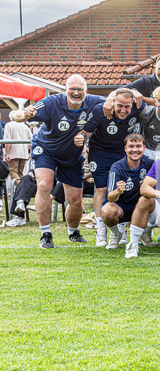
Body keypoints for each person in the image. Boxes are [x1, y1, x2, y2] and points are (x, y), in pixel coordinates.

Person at [15, 74, 105, 248]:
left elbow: (117, 99)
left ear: (86, 91)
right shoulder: (51, 102)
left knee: (76, 200)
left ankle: (73, 232)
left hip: (72, 155)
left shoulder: (93, 102)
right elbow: (18, 115)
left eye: (80, 89)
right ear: (66, 90)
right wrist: (24, 114)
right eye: (72, 89)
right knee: (44, 184)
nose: (76, 93)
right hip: (46, 150)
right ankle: (45, 234)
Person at [76, 88, 146, 247]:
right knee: (102, 188)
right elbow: (86, 132)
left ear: (132, 104)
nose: (123, 110)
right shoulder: (100, 110)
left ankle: (121, 229)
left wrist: (137, 92)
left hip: (123, 152)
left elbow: (153, 102)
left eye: (127, 106)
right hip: (100, 153)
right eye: (120, 105)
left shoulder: (138, 106)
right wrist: (80, 138)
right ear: (113, 102)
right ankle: (100, 231)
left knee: (121, 188)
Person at [101, 133, 155, 249]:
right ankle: (116, 234)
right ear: (125, 148)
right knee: (107, 211)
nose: (135, 150)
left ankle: (145, 233)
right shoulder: (116, 167)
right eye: (131, 146)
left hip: (141, 206)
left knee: (154, 201)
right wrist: (118, 191)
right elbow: (110, 197)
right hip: (121, 207)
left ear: (144, 148)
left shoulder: (150, 163)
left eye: (138, 146)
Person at [3, 110, 32, 184]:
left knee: (13, 172)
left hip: (13, 153)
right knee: (20, 173)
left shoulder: (9, 125)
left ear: (11, 118)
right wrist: (29, 153)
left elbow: (7, 140)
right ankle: (22, 189)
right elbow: (31, 140)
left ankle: (21, 189)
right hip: (24, 153)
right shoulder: (25, 126)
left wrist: (6, 153)